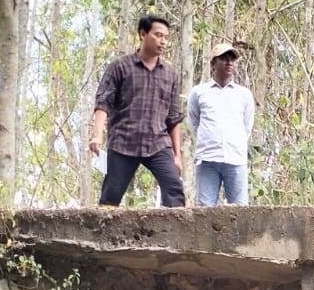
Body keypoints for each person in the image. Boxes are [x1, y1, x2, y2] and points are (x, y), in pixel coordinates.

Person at [89, 13, 186, 208]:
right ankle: (101, 235)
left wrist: (177, 155)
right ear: (143, 34)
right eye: (158, 35)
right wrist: (97, 135)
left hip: (158, 143)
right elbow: (103, 102)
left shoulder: (170, 74)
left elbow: (174, 117)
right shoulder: (120, 67)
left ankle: (172, 234)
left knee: (174, 189)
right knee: (111, 194)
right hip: (124, 141)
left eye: (166, 37)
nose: (163, 41)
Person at [187, 42, 255, 206]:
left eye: (232, 59)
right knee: (205, 211)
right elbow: (194, 122)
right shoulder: (199, 92)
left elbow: (247, 125)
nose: (229, 63)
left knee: (240, 212)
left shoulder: (244, 95)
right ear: (213, 63)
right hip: (208, 159)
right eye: (224, 59)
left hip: (236, 159)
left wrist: (235, 143)